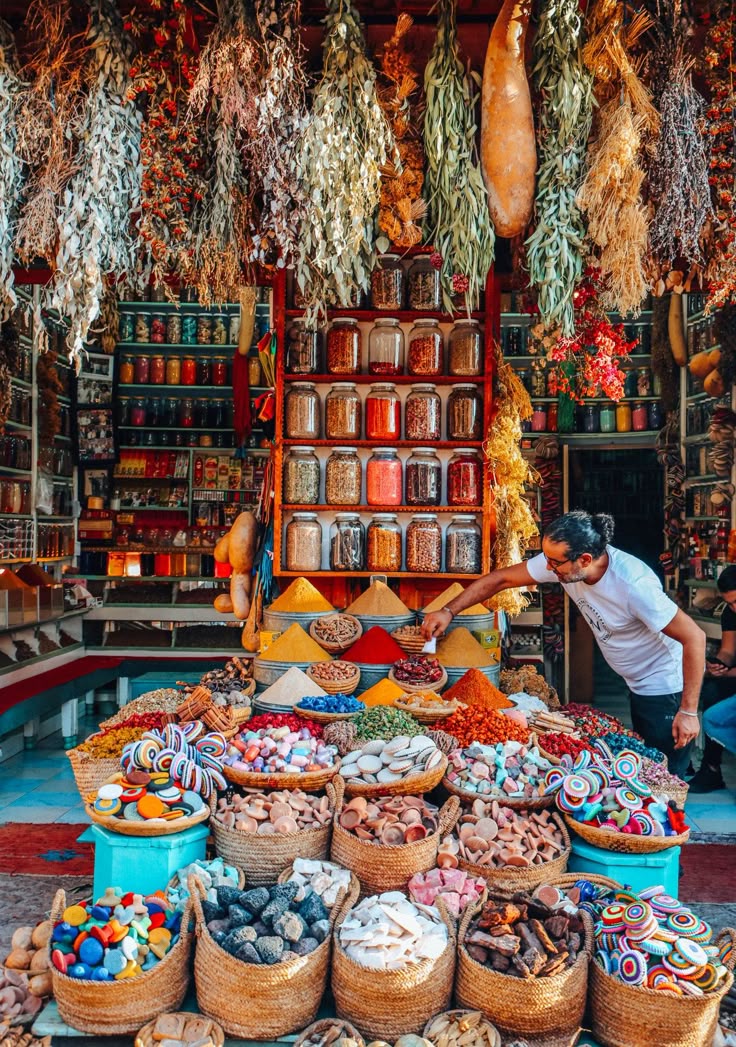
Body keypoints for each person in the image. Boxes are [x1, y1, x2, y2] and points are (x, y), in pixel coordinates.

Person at [422, 510, 705, 777]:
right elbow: (501, 579)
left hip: (664, 684)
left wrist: (688, 712)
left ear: (584, 559)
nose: (547, 568)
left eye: (555, 563)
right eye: (547, 559)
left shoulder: (634, 586)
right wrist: (448, 611)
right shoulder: (565, 562)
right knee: (646, 771)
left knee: (664, 779)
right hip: (637, 682)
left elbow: (694, 637)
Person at [688, 564, 736, 792]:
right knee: (712, 690)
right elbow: (728, 651)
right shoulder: (730, 612)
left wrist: (729, 672)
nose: (734, 607)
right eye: (729, 603)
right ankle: (711, 768)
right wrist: (718, 664)